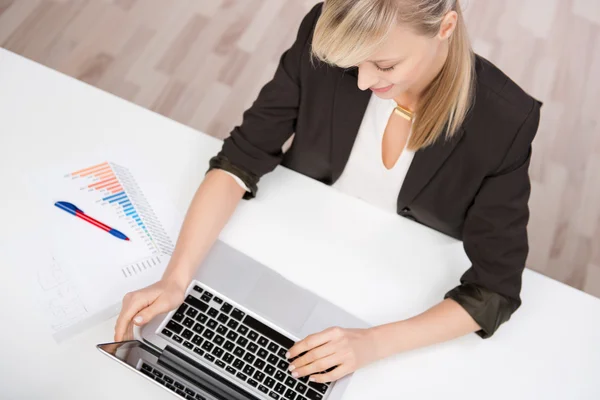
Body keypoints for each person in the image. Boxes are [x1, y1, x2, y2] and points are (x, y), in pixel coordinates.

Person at [115, 0, 541, 385]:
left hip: (395, 287)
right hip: (291, 247)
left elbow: (495, 290)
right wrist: (175, 279)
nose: (361, 81)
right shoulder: (329, 32)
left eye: (385, 65)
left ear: (445, 28)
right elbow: (240, 159)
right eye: (355, 62)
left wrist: (371, 345)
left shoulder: (505, 120)